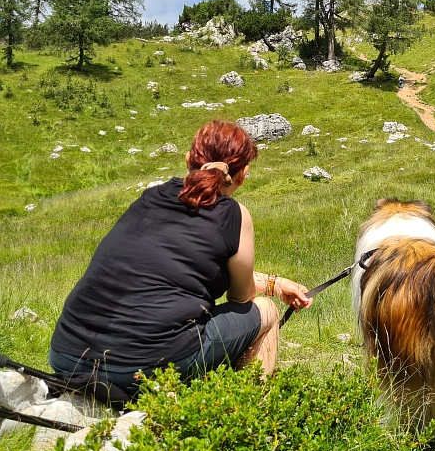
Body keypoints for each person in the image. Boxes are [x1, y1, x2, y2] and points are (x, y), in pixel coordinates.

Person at [48, 120, 311, 399]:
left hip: (67, 356)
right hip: (141, 367)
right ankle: (251, 408)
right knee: (266, 310)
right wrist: (270, 289)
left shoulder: (149, 198)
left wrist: (275, 282)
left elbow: (161, 267)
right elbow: (242, 297)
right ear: (243, 174)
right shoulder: (234, 215)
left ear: (188, 158)